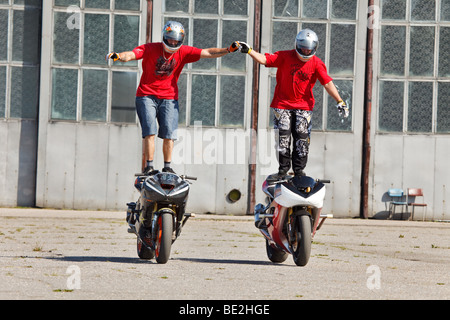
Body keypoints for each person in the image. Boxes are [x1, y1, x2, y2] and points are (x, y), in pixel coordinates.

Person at [107, 21, 238, 174]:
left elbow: (207, 53)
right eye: (170, 39)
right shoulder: (151, 48)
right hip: (146, 95)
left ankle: (167, 167)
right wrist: (119, 56)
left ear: (181, 39)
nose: (173, 42)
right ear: (164, 36)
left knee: (169, 133)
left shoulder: (183, 51)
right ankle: (149, 167)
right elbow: (132, 54)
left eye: (176, 40)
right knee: (149, 132)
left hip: (169, 97)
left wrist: (228, 50)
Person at [235, 29, 348, 178]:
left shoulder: (316, 63)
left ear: (315, 48)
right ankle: (283, 170)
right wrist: (249, 51)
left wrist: (340, 101)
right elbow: (264, 60)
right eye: (303, 49)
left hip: (303, 107)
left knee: (302, 138)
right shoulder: (285, 56)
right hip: (282, 104)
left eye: (309, 50)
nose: (305, 52)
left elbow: (327, 83)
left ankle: (299, 171)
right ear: (296, 45)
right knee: (282, 138)